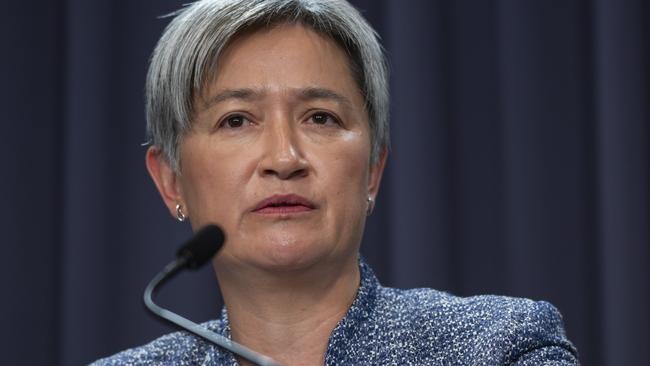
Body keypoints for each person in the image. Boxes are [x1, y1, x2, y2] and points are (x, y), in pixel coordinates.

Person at [93, 0, 579, 364]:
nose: (284, 159)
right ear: (171, 182)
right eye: (237, 120)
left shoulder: (503, 348)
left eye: (320, 118)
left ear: (373, 169)